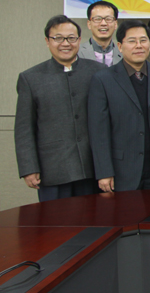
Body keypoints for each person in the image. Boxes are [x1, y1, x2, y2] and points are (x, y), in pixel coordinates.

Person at [14, 15, 106, 201]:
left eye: (71, 38)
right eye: (58, 38)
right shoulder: (30, 78)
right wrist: (29, 168)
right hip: (53, 170)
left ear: (79, 40)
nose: (65, 43)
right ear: (47, 41)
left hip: (93, 168)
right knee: (55, 219)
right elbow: (24, 128)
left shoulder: (99, 72)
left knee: (95, 217)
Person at [88, 20, 150, 192]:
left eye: (143, 40)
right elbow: (98, 131)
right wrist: (104, 172)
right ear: (120, 46)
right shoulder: (103, 79)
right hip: (122, 171)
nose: (139, 46)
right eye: (132, 41)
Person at [77, 0, 122, 66]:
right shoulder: (77, 52)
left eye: (108, 19)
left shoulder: (124, 53)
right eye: (98, 19)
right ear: (89, 24)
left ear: (115, 24)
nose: (103, 23)